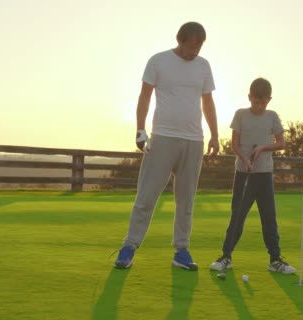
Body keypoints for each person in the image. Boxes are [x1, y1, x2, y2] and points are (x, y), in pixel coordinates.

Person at [114, 22, 219, 271]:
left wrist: (214, 135)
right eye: (192, 45)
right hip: (162, 137)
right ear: (180, 40)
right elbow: (144, 97)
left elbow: (208, 102)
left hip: (194, 140)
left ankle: (181, 250)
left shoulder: (204, 66)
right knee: (146, 196)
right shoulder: (158, 61)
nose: (195, 50)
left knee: (186, 200)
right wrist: (140, 130)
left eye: (200, 46)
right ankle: (129, 246)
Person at [209, 78, 296, 274]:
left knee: (269, 218)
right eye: (255, 101)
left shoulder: (272, 117)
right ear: (249, 97)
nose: (258, 105)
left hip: (264, 175)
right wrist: (245, 160)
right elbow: (235, 145)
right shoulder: (240, 115)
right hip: (243, 173)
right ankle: (226, 257)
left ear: (269, 100)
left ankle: (275, 260)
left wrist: (264, 148)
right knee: (237, 216)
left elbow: (282, 144)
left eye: (263, 102)